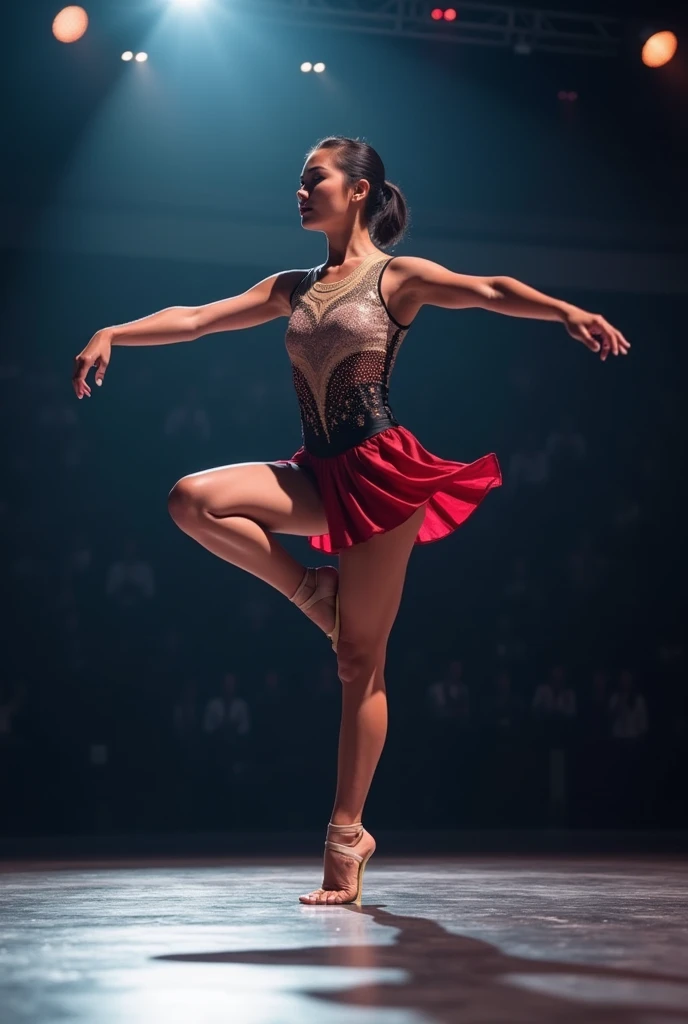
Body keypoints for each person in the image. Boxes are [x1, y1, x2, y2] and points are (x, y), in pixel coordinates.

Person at [71, 134, 631, 906]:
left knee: (358, 663)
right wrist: (114, 332)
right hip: (314, 470)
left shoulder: (395, 278)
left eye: (315, 180)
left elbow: (492, 288)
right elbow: (197, 317)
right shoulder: (292, 286)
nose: (300, 192)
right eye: (299, 182)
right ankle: (314, 594)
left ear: (360, 190)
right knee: (190, 500)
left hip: (379, 476)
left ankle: (347, 836)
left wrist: (568, 310)